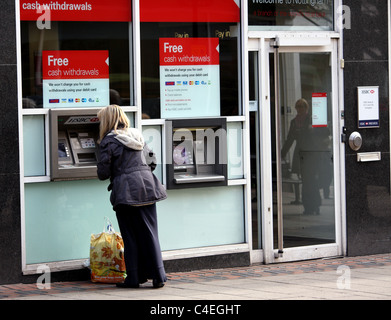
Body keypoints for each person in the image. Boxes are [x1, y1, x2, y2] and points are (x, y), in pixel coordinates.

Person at [97, 105, 167, 288]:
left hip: (126, 191)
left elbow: (103, 172)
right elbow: (153, 162)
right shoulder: (137, 136)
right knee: (150, 232)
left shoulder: (108, 141)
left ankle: (134, 278)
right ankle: (158, 275)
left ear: (106, 121)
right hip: (147, 186)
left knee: (130, 235)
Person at [281, 98, 321, 215]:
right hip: (301, 154)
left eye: (302, 107)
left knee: (312, 180)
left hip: (312, 153)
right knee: (306, 181)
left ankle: (315, 205)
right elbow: (290, 138)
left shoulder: (311, 119)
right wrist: (282, 153)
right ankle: (308, 206)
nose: (300, 109)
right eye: (298, 107)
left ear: (306, 108)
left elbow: (320, 134)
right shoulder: (294, 122)